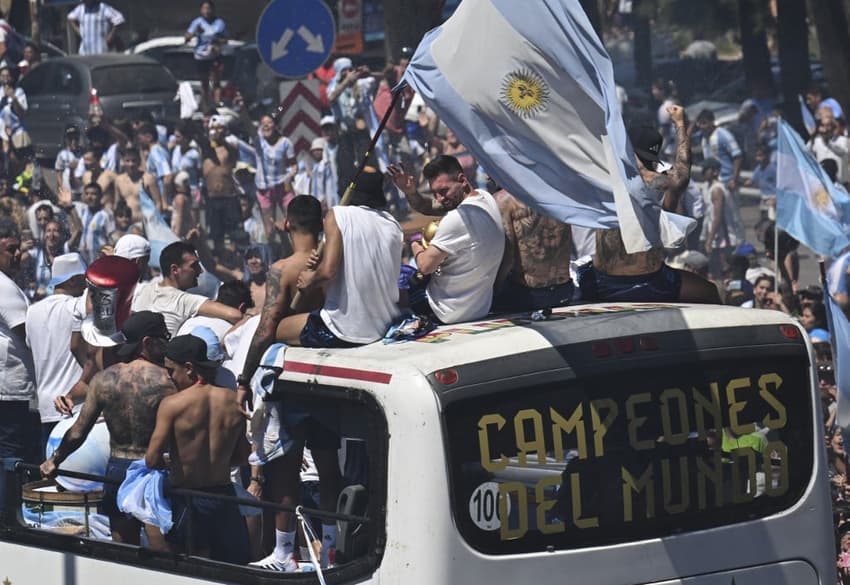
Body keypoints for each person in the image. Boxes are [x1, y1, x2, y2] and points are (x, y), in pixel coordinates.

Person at [40, 311, 175, 544]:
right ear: (147, 342)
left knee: (122, 548)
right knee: (161, 551)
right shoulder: (167, 381)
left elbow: (78, 431)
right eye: (164, 338)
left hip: (117, 471)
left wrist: (55, 460)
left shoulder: (103, 379)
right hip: (153, 470)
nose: (167, 344)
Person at [144, 334, 250, 564]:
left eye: (171, 370)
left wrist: (176, 462)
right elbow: (242, 456)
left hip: (188, 499)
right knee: (230, 568)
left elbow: (151, 460)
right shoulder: (234, 401)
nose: (169, 377)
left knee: (188, 568)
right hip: (224, 498)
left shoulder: (173, 404)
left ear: (189, 368)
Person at [276, 170, 403, 347]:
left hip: (347, 329)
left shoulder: (338, 215)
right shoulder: (392, 223)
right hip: (385, 323)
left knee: (281, 328)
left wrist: (310, 278)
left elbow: (328, 272)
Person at [389, 155, 504, 323]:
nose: (439, 199)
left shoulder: (457, 218)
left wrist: (415, 243)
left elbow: (425, 266)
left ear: (462, 180)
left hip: (444, 310)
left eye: (443, 191)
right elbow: (426, 206)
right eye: (435, 193)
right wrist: (411, 192)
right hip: (479, 307)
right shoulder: (485, 198)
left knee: (391, 297)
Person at [25, 253, 88, 451]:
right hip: (75, 406)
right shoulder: (76, 307)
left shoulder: (32, 311)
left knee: (50, 472)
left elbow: (29, 345)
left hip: (46, 406)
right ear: (74, 280)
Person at [492, 185, 574, 312]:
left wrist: (494, 290)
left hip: (528, 296)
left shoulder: (504, 200)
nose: (487, 178)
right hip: (564, 291)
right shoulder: (559, 190)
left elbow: (508, 259)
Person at [132, 240, 242, 335]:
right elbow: (235, 315)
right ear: (175, 270)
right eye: (194, 266)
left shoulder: (140, 289)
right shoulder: (184, 300)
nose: (200, 271)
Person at [0, 219, 38, 463]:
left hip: (8, 387)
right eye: (10, 250)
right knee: (11, 453)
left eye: (18, 249)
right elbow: (26, 333)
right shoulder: (3, 286)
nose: (17, 255)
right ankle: (9, 503)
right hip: (9, 388)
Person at [703, 157, 744, 280]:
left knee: (722, 273)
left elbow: (718, 217)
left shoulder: (717, 190)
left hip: (723, 240)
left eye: (707, 169)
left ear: (715, 171)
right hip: (720, 239)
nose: (703, 172)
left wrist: (709, 240)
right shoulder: (711, 188)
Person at [185, 1, 227, 107]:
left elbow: (225, 40)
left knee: (216, 80)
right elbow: (187, 36)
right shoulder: (197, 22)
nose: (206, 11)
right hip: (201, 56)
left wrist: (216, 41)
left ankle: (218, 103)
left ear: (213, 10)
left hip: (214, 55)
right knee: (204, 82)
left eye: (208, 9)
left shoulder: (219, 23)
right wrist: (191, 34)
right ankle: (206, 105)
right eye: (204, 9)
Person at [695, 108, 743, 194]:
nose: (702, 126)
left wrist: (734, 179)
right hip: (711, 181)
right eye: (700, 123)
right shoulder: (703, 138)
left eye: (704, 123)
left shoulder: (724, 135)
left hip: (726, 181)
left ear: (712, 122)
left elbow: (738, 156)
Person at [114, 147, 164, 223]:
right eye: (127, 161)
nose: (131, 164)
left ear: (139, 162)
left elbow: (158, 203)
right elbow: (117, 204)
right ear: (123, 162)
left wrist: (155, 221)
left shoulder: (149, 179)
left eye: (134, 161)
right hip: (127, 223)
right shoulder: (119, 180)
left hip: (146, 222)